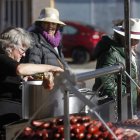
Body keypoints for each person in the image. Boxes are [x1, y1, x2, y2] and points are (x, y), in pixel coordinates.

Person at [0, 27, 64, 128]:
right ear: (10, 46)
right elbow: (20, 70)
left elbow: (27, 75)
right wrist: (52, 68)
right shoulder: (2, 58)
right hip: (5, 115)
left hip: (17, 111)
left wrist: (44, 76)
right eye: (22, 50)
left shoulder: (13, 62)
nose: (24, 54)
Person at [92, 18, 140, 119]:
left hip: (128, 105)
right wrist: (126, 95)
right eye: (133, 39)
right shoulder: (111, 53)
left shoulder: (129, 52)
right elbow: (107, 82)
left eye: (137, 39)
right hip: (113, 107)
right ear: (123, 37)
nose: (136, 43)